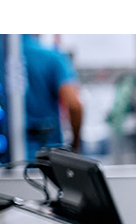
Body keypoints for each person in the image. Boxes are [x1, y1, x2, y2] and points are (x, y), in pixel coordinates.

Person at [0, 34, 82, 166]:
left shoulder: (4, 56)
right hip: (45, 156)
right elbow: (74, 105)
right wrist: (75, 145)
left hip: (6, 157)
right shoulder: (52, 57)